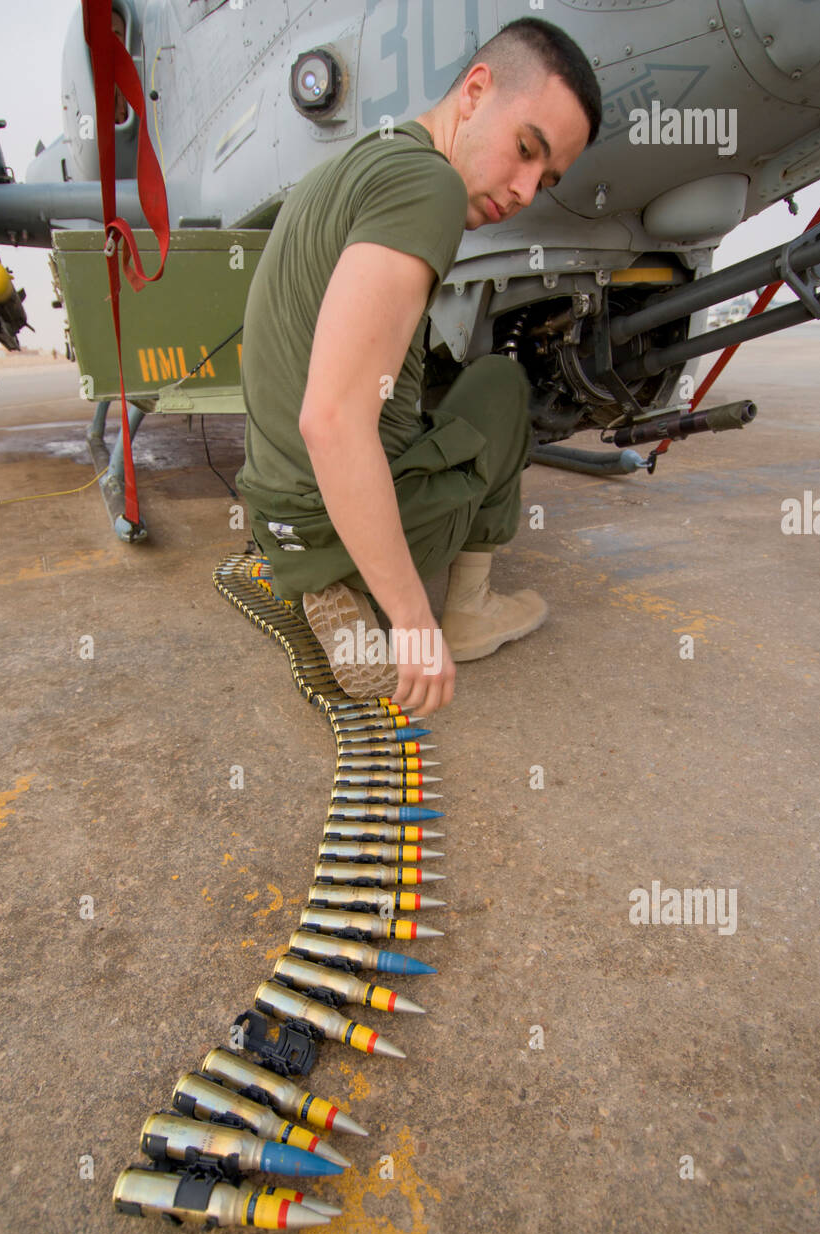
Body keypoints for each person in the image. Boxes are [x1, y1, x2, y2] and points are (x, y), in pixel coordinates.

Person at [235, 17, 601, 715]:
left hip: (276, 514)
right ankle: (464, 609)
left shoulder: (351, 167)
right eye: (526, 150)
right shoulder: (426, 186)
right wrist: (412, 621)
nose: (525, 190)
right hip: (328, 517)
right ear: (475, 90)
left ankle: (328, 575)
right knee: (500, 383)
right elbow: (335, 419)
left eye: (545, 179)